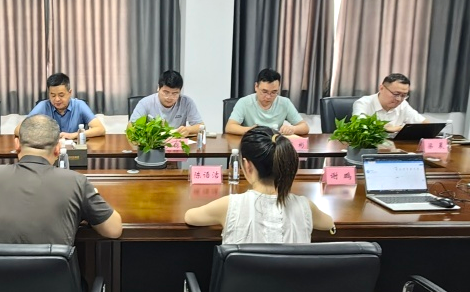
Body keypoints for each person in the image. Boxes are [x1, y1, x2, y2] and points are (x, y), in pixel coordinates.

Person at [0, 115, 122, 244]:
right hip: (55, 280)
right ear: (58, 149)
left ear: (17, 145)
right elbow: (114, 230)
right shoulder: (76, 182)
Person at [185, 126, 334, 243]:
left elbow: (190, 217)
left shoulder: (230, 205)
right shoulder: (305, 206)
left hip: (242, 276)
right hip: (294, 275)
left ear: (247, 166)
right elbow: (329, 224)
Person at [17, 73, 105, 140]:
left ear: (70, 93)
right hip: (49, 151)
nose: (57, 99)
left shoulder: (79, 105)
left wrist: (74, 135)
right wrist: (42, 136)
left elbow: (100, 129)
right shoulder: (43, 106)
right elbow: (18, 130)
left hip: (73, 152)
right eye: (53, 95)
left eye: (61, 95)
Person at [225, 68, 309, 136]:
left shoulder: (285, 103)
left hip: (275, 145)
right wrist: (252, 130)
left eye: (274, 92)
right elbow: (230, 127)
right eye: (264, 91)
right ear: (256, 87)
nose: (268, 97)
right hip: (253, 142)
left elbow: (305, 127)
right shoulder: (244, 102)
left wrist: (292, 129)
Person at [129, 70, 204, 136]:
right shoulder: (145, 103)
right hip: (153, 143)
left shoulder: (187, 102)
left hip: (176, 143)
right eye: (166, 92)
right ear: (158, 88)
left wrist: (188, 130)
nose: (170, 97)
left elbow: (201, 126)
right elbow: (131, 127)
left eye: (175, 93)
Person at [352, 73, 428, 133]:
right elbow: (360, 126)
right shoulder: (363, 103)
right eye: (396, 94)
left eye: (403, 95)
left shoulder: (403, 104)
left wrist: (398, 128)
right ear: (381, 88)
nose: (399, 99)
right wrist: (386, 128)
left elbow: (425, 124)